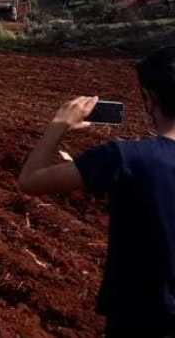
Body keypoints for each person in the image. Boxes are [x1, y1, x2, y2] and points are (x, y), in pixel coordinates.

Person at [18, 46, 175, 337]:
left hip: (143, 320)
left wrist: (59, 124)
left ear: (150, 99)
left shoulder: (125, 158)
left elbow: (30, 180)